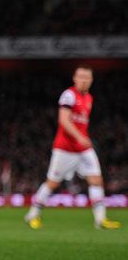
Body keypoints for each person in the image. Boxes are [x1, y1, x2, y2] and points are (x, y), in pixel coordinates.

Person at [25, 65, 121, 230]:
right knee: (53, 183)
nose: (84, 80)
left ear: (91, 80)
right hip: (65, 148)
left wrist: (82, 139)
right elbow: (64, 120)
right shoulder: (68, 95)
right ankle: (32, 214)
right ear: (75, 78)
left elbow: (81, 124)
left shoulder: (89, 98)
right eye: (81, 77)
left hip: (83, 149)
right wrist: (79, 137)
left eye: (87, 77)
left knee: (96, 180)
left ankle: (100, 220)